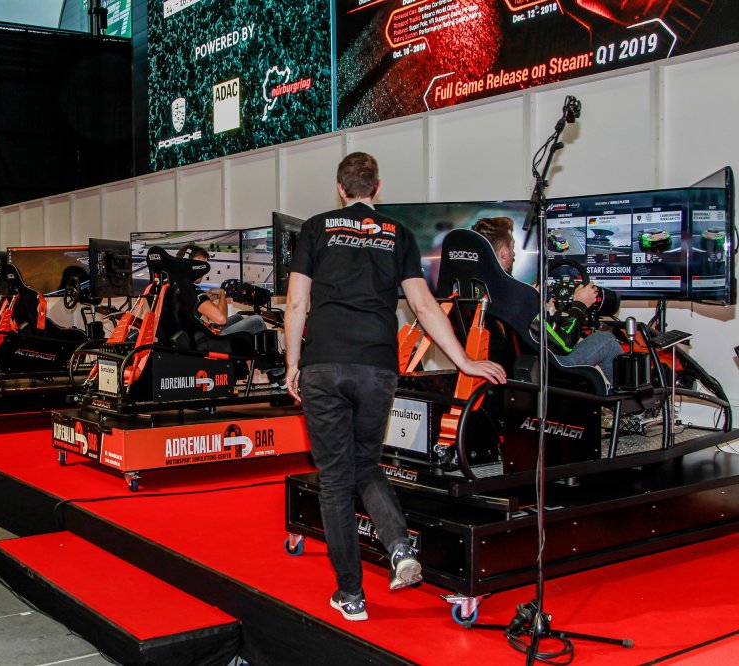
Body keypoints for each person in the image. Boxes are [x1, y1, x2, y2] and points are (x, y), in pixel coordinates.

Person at [283, 153, 507, 622]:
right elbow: (424, 306)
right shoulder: (398, 233)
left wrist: (292, 364)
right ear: (377, 188)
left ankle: (351, 595)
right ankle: (400, 547)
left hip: (325, 366)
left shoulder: (316, 228)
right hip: (377, 368)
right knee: (365, 466)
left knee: (335, 481)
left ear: (340, 188)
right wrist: (464, 360)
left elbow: (297, 302)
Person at [471, 217, 623, 381]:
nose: (514, 254)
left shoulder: (473, 292)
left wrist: (538, 306)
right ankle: (634, 397)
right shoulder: (520, 295)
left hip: (504, 373)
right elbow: (564, 345)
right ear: (504, 253)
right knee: (606, 340)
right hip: (547, 373)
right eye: (512, 247)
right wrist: (580, 305)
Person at [176, 244, 268, 336]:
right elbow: (222, 319)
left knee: (238, 317)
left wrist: (207, 301)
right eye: (200, 266)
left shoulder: (178, 287)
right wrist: (222, 294)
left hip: (192, 335)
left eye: (205, 267)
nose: (203, 271)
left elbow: (190, 312)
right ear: (186, 265)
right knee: (257, 321)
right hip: (205, 341)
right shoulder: (193, 291)